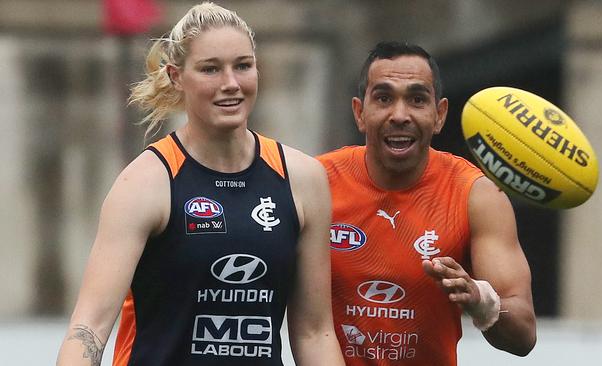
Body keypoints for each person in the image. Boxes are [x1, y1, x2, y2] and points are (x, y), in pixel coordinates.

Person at [56, 2, 344, 365]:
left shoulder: (302, 179)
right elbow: (89, 328)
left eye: (243, 65)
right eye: (210, 69)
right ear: (177, 76)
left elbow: (314, 332)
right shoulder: (145, 183)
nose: (231, 84)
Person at [317, 41, 536, 365]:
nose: (400, 115)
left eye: (417, 99)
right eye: (383, 98)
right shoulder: (316, 183)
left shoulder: (475, 195)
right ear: (359, 113)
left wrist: (481, 300)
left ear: (439, 115)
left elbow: (524, 333)